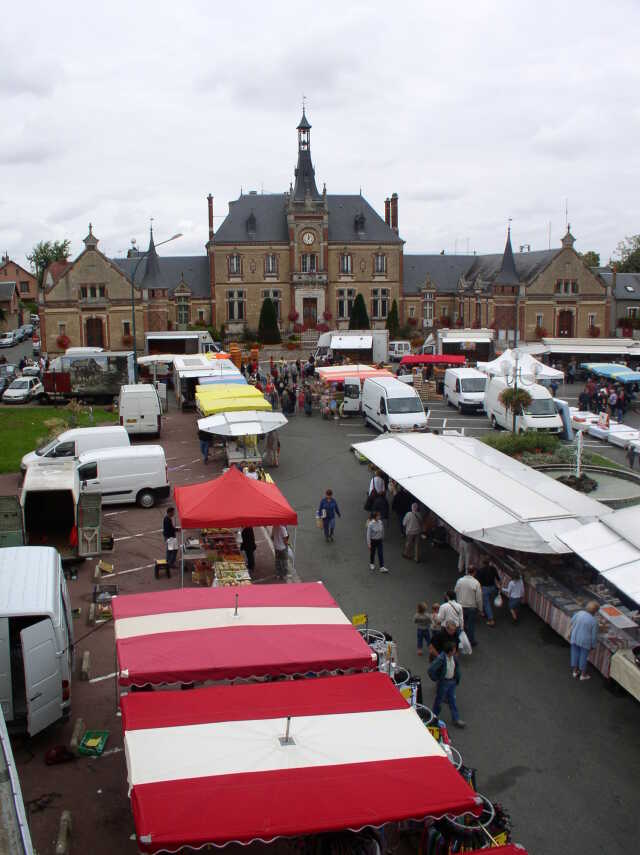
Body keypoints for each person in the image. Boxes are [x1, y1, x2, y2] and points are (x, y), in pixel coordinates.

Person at [428, 640, 465, 728]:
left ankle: (456, 719)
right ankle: (433, 717)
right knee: (439, 701)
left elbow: (456, 668)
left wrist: (456, 679)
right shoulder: (441, 659)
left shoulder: (454, 658)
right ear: (450, 651)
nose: (455, 651)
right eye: (454, 649)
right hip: (444, 682)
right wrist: (436, 678)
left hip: (451, 682)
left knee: (452, 700)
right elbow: (431, 670)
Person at [569, 601, 599, 680]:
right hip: (585, 642)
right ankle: (583, 675)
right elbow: (594, 636)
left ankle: (575, 671)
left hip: (575, 637)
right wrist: (593, 645)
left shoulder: (579, 613)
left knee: (575, 654)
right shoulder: (594, 622)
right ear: (595, 611)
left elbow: (571, 622)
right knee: (583, 657)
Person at [454, 567, 483, 646]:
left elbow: (455, 591)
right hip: (471, 607)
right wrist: (480, 609)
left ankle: (460, 639)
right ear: (474, 572)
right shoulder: (476, 583)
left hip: (461, 606)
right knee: (471, 625)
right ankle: (471, 640)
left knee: (461, 623)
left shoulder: (460, 581)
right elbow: (479, 598)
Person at [477, 561, 501, 627]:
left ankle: (491, 619)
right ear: (489, 563)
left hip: (485, 588)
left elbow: (478, 581)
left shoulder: (480, 570)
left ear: (483, 563)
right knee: (490, 600)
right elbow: (498, 578)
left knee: (486, 603)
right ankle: (486, 611)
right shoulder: (493, 568)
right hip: (493, 587)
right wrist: (499, 584)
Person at [163, 507, 179, 572]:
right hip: (170, 537)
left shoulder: (167, 518)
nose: (173, 513)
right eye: (173, 512)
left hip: (169, 537)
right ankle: (171, 563)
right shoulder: (167, 519)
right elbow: (170, 529)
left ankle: (168, 562)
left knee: (169, 550)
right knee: (174, 550)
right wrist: (176, 529)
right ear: (169, 512)